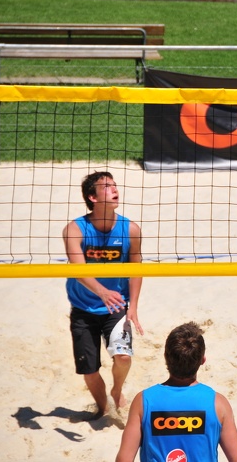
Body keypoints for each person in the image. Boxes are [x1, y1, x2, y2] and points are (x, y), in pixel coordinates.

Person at [63, 171, 143, 418]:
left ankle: (117, 391)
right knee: (89, 370)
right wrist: (102, 291)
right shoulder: (74, 229)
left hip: (116, 305)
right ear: (92, 197)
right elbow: (78, 271)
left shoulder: (130, 229)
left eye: (114, 185)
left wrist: (134, 307)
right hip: (83, 308)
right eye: (106, 187)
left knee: (123, 357)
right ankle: (103, 409)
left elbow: (137, 269)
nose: (114, 189)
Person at [116, 322, 237, 462]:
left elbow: (124, 459)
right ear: (202, 361)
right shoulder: (217, 403)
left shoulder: (144, 401)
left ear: (165, 357)